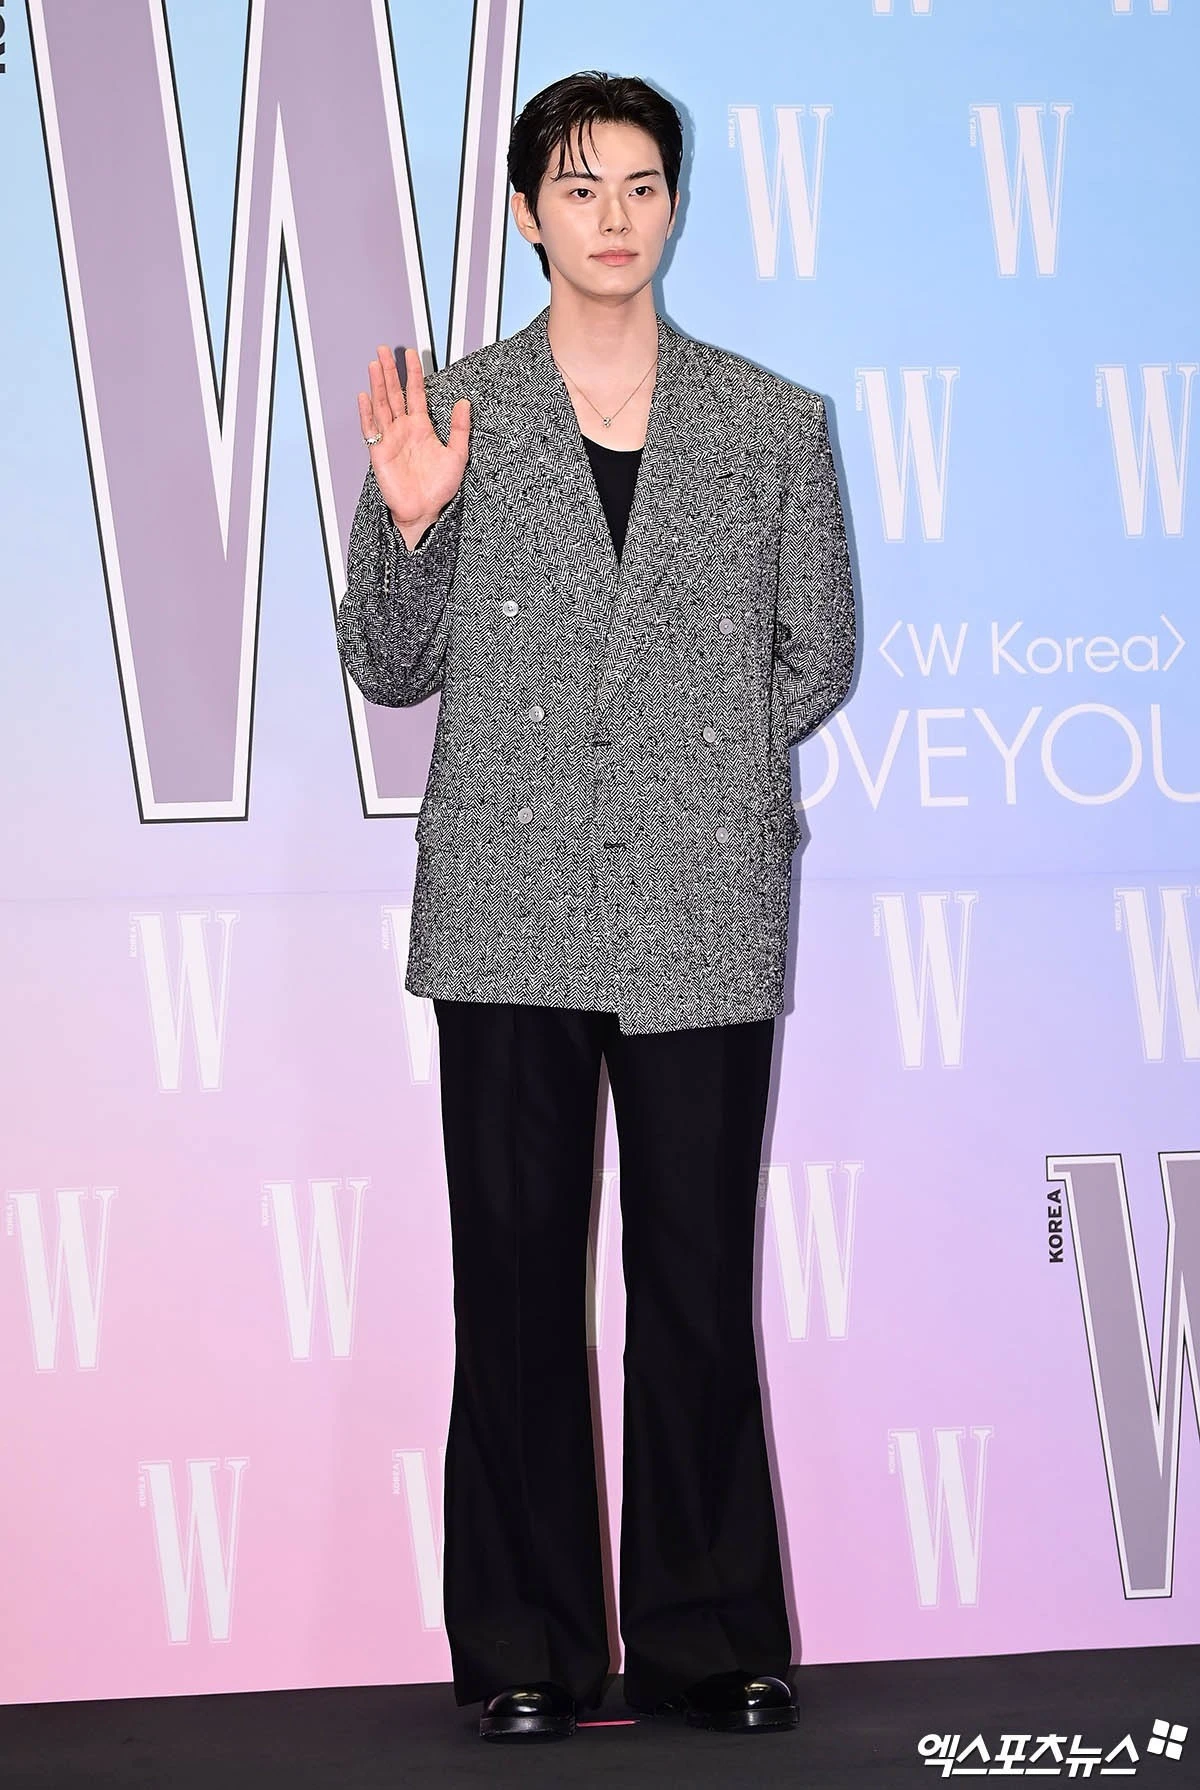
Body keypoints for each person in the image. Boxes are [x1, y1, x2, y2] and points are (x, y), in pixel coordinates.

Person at [336, 70, 856, 1744]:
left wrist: (685, 768)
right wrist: (414, 521)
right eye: (579, 187)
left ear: (675, 204)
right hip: (508, 900)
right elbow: (389, 664)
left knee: (697, 1284)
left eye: (640, 184)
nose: (613, 216)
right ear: (525, 213)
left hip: (703, 899)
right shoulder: (454, 409)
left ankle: (712, 1639)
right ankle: (524, 1647)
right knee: (513, 1285)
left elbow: (818, 649)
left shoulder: (771, 423)